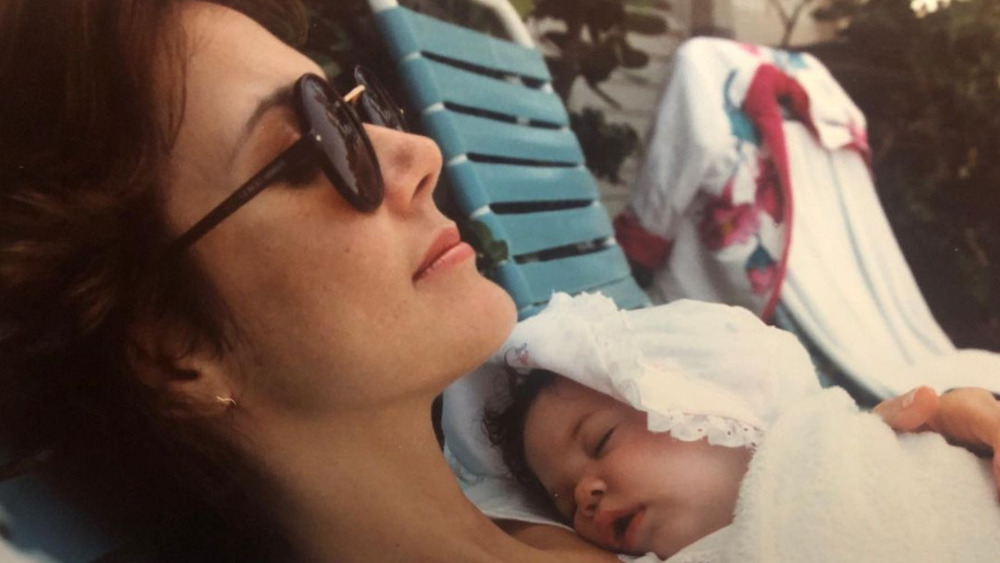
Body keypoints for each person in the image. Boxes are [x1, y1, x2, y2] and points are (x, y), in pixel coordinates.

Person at [0, 1, 994, 561]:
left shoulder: (605, 496)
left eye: (358, 106)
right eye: (311, 144)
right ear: (173, 345)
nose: (413, 153)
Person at [480, 294, 1000, 561]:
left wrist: (955, 418)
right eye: (565, 503)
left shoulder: (841, 445)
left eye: (601, 440)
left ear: (701, 398)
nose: (585, 496)